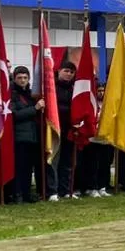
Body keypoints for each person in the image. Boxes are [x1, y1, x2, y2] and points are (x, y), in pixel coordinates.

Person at [8, 66, 45, 203]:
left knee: (29, 168)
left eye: (25, 77)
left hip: (33, 136)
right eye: (19, 78)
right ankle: (17, 193)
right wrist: (34, 108)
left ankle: (26, 193)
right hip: (19, 137)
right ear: (14, 78)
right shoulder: (11, 95)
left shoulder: (32, 94)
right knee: (19, 167)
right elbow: (14, 115)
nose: (23, 80)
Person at [50, 62, 76, 200]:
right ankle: (52, 190)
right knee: (53, 160)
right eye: (66, 71)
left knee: (67, 162)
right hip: (54, 129)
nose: (69, 74)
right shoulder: (51, 88)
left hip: (69, 131)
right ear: (59, 71)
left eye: (72, 72)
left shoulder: (74, 89)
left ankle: (65, 190)